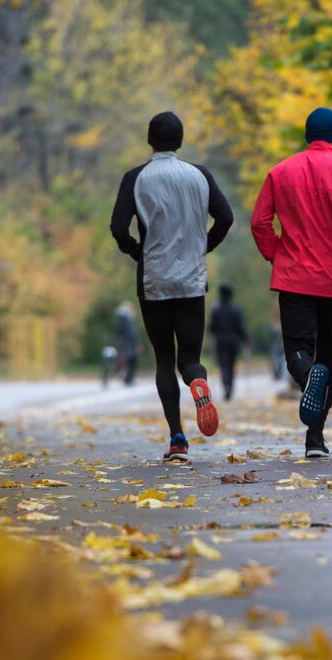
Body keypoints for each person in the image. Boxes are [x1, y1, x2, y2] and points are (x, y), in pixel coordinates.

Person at [251, 106, 332, 459]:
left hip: (294, 277)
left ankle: (308, 377)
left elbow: (259, 223)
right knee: (327, 355)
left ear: (308, 136)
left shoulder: (280, 173)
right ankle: (316, 438)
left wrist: (276, 255)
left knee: (298, 349)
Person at [110, 111, 233, 461]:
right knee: (190, 358)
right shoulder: (200, 175)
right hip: (192, 279)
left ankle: (177, 439)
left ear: (150, 140)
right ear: (179, 140)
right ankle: (198, 382)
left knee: (164, 358)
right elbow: (226, 218)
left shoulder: (136, 178)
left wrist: (139, 253)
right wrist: (202, 247)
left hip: (154, 281)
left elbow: (119, 228)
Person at [208, 284, 249, 400]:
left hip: (220, 341)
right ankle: (230, 387)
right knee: (231, 365)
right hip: (233, 342)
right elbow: (240, 327)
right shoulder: (236, 309)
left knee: (223, 365)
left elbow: (211, 328)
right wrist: (246, 338)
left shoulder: (216, 310)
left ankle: (225, 386)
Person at [114, 301, 140, 386]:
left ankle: (127, 378)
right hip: (130, 343)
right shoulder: (128, 318)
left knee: (126, 359)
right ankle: (129, 379)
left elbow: (119, 332)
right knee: (131, 360)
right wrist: (137, 342)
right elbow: (132, 332)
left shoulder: (121, 318)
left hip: (125, 342)